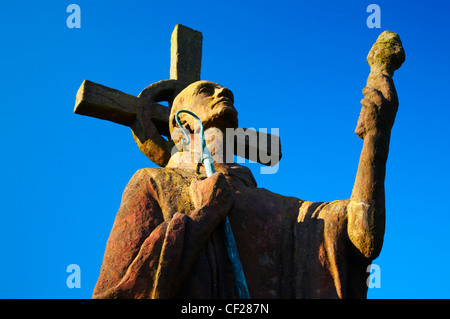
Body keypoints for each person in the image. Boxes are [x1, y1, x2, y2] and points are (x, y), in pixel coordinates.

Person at [92, 31, 404, 298]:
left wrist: (377, 135)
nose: (223, 91)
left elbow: (361, 238)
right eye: (206, 91)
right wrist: (204, 217)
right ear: (182, 122)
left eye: (221, 89)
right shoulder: (154, 183)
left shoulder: (279, 208)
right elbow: (120, 290)